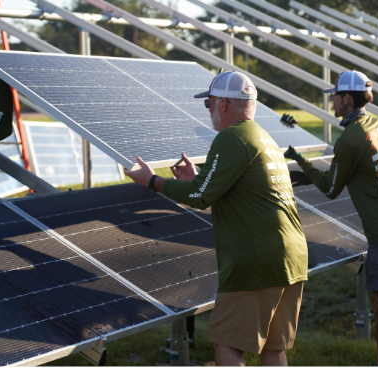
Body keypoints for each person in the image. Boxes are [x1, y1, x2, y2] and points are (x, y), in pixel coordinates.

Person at [124, 70, 308, 366]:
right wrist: (198, 179)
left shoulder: (232, 138)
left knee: (227, 343)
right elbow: (233, 190)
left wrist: (152, 181)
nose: (208, 110)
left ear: (223, 105)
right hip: (291, 258)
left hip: (257, 262)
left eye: (208, 103)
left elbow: (200, 196)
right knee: (273, 348)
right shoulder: (263, 137)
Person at [285, 70, 378, 367]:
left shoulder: (350, 138)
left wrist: (299, 160)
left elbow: (331, 187)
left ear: (347, 98)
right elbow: (348, 173)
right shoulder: (376, 124)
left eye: (335, 95)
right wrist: (306, 172)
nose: (332, 101)